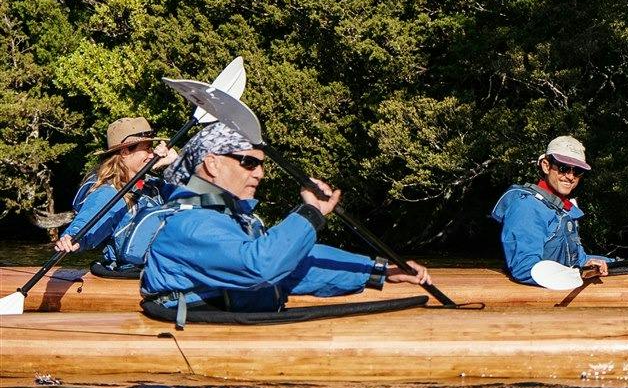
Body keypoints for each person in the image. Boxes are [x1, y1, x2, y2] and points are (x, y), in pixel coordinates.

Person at [137, 120, 432, 320]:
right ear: (212, 163)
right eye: (249, 162)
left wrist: (377, 271)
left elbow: (296, 267)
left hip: (235, 336)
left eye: (261, 164)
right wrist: (310, 213)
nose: (260, 173)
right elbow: (261, 266)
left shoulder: (232, 220)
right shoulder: (192, 224)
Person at [492, 135, 628, 285]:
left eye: (577, 171)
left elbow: (580, 260)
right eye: (564, 168)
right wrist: (578, 272)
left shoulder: (562, 208)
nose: (571, 176)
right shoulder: (526, 207)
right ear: (546, 166)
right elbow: (525, 269)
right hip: (539, 306)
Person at [54, 118, 167, 270]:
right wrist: (71, 237)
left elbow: (190, 200)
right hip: (131, 272)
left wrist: (174, 164)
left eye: (151, 149)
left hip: (162, 268)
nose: (152, 154)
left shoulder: (152, 185)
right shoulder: (109, 193)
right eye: (147, 148)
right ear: (125, 152)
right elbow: (89, 218)